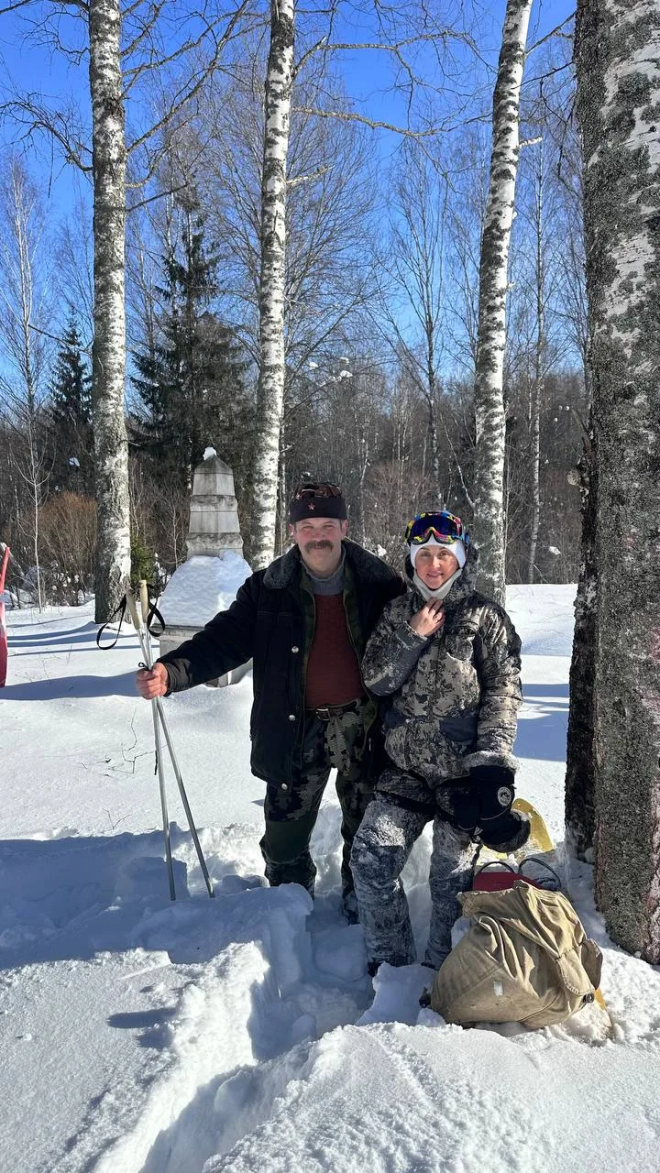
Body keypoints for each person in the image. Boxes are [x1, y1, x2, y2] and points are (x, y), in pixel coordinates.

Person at [136, 481, 405, 920]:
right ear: (293, 531)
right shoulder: (267, 589)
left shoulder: (382, 585)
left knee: (366, 824)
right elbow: (221, 642)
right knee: (283, 838)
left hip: (365, 725)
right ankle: (288, 907)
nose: (317, 536)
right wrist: (172, 671)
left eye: (326, 525)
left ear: (344, 527)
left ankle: (362, 902)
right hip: (294, 728)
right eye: (307, 526)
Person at [350, 509, 529, 974]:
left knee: (450, 884)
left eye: (443, 555)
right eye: (424, 554)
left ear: (460, 559)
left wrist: (492, 767)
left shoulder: (485, 617)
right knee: (369, 863)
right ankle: (391, 970)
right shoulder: (395, 612)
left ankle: (442, 978)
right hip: (404, 773)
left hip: (462, 778)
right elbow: (377, 680)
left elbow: (504, 692)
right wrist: (413, 635)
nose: (433, 564)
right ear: (412, 560)